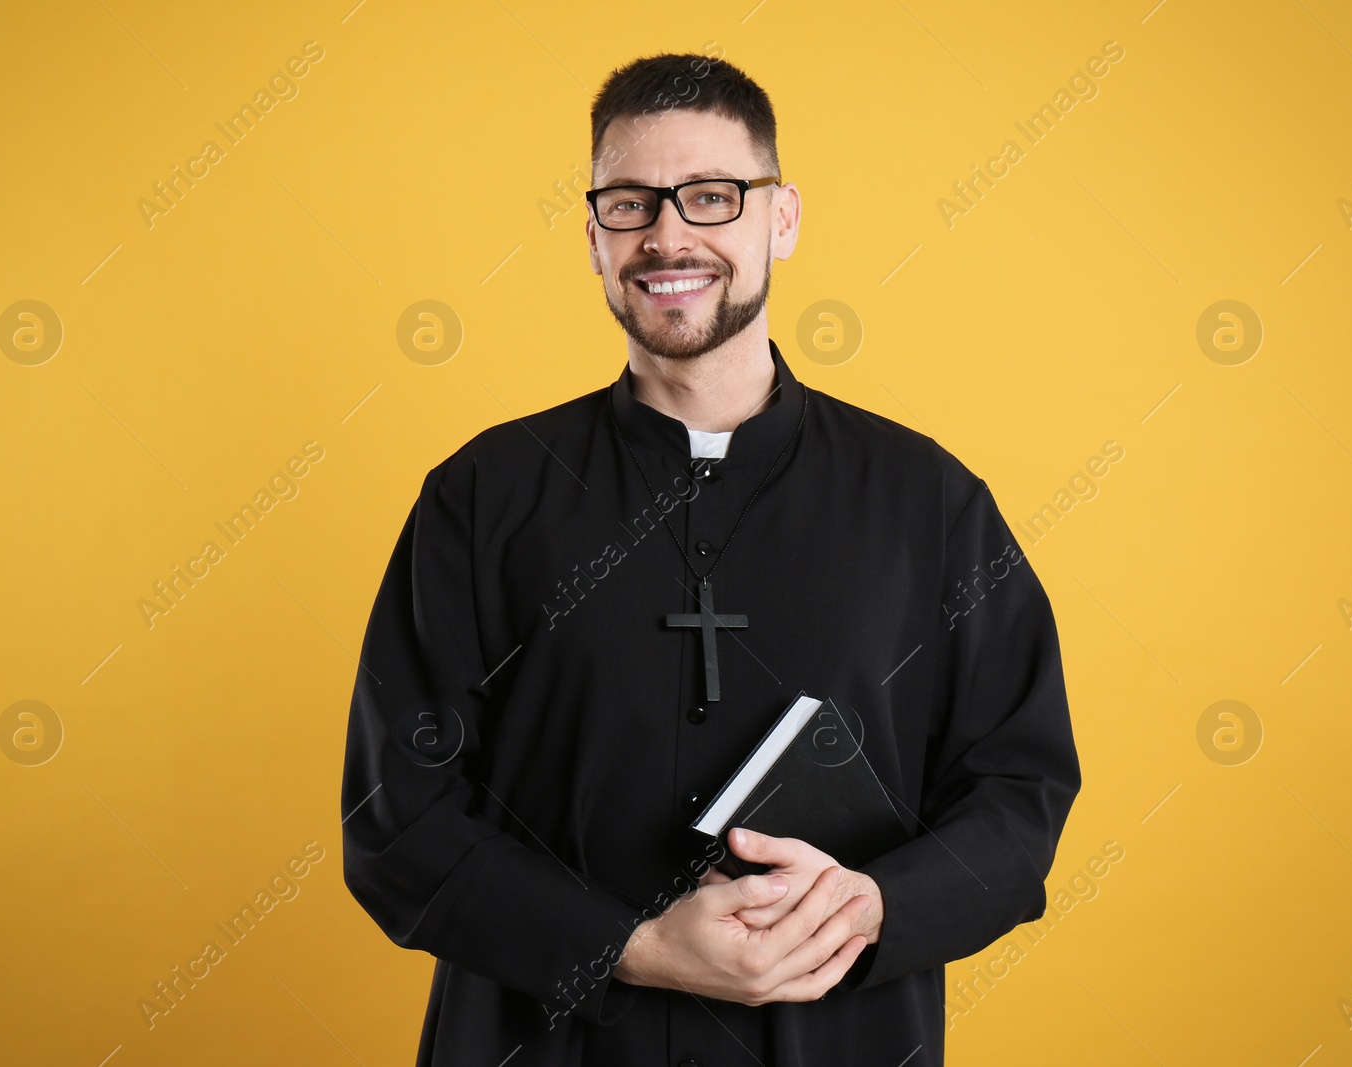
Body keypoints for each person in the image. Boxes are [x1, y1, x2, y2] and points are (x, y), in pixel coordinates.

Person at [341, 51, 1081, 1067]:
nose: (667, 235)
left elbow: (1018, 790)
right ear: (592, 236)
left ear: (781, 217)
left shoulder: (931, 502)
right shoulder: (480, 497)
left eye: (711, 196)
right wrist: (630, 946)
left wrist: (872, 907)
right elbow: (395, 822)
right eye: (629, 203)